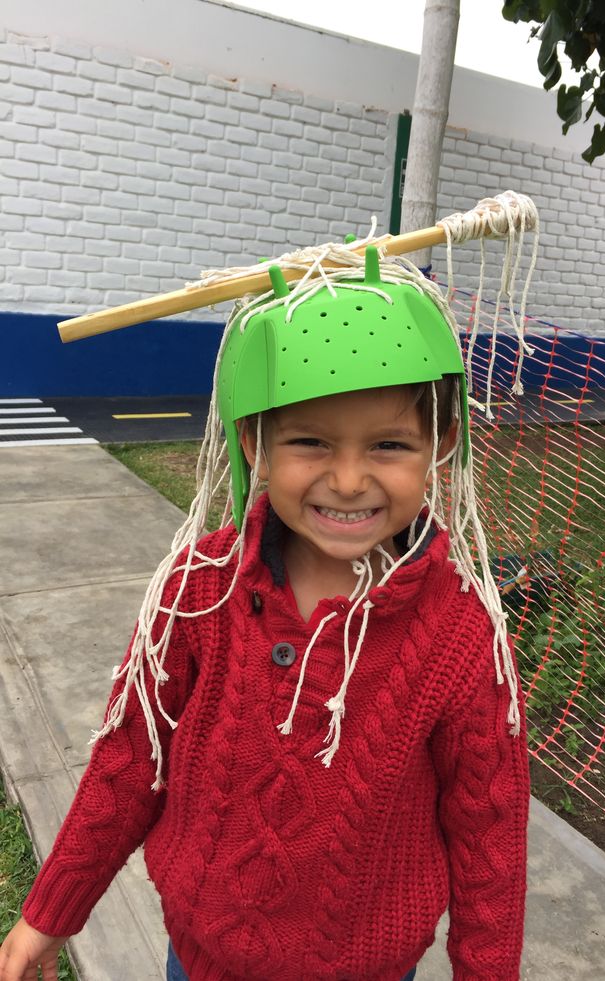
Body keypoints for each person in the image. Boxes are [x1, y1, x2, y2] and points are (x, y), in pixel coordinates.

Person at [0, 244, 529, 981]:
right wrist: (48, 913)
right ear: (256, 442)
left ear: (440, 444)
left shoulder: (464, 632)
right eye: (310, 441)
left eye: (389, 444)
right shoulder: (200, 587)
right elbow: (128, 760)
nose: (349, 479)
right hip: (200, 957)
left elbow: (488, 834)